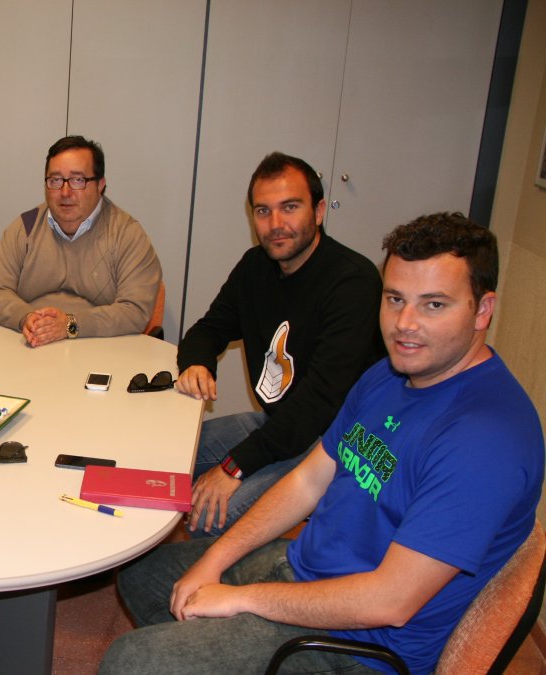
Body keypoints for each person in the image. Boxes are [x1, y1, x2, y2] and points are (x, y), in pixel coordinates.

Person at [101, 212, 543, 674]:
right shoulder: (388, 374)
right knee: (142, 574)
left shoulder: (486, 440)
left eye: (434, 305)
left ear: (483, 310)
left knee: (129, 661)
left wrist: (241, 599)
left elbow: (389, 602)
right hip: (304, 565)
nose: (404, 324)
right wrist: (216, 559)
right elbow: (308, 481)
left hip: (357, 646)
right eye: (395, 299)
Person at [178, 151, 383, 536]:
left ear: (318, 211)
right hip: (279, 426)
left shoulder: (352, 283)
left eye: (290, 207)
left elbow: (317, 405)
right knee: (166, 455)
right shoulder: (255, 267)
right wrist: (198, 363)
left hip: (330, 443)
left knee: (208, 516)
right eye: (263, 211)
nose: (275, 224)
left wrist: (233, 468)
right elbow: (208, 329)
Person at [0, 135, 161, 347]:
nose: (65, 192)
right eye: (55, 180)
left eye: (77, 180)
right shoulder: (26, 227)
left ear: (100, 185)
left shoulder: (126, 234)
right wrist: (27, 318)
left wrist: (69, 325)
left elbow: (135, 310)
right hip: (31, 346)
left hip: (99, 350)